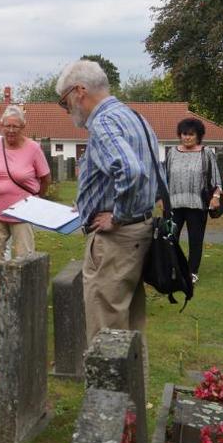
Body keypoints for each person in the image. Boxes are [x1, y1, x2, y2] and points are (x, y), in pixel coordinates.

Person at [55, 59, 159, 349]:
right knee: (130, 326)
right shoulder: (133, 116)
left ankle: (108, 395)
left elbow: (132, 171)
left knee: (106, 333)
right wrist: (90, 202)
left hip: (117, 239)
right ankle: (132, 393)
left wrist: (118, 216)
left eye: (65, 103)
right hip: (140, 230)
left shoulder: (102, 122)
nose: (67, 111)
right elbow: (153, 173)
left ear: (79, 91)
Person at [0, 105, 50, 311]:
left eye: (15, 126)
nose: (10, 131)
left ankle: (24, 298)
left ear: (23, 127)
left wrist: (36, 198)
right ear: (1, 126)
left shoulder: (33, 149)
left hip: (23, 211)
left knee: (24, 255)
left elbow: (45, 178)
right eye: (7, 126)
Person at [165, 117, 223, 284]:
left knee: (195, 240)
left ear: (198, 136)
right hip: (174, 205)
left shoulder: (206, 154)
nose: (187, 137)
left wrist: (216, 197)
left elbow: (216, 180)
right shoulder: (172, 153)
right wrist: (161, 197)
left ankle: (192, 272)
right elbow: (164, 178)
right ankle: (173, 268)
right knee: (170, 237)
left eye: (191, 134)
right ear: (179, 135)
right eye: (184, 134)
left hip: (197, 206)